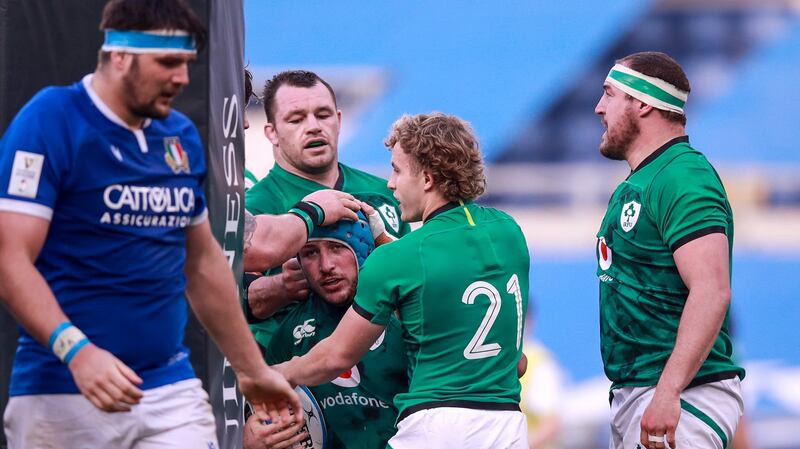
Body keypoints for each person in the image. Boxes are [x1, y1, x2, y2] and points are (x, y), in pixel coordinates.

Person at [0, 1, 301, 447]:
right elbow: (9, 257)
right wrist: (75, 350)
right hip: (63, 388)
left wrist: (251, 370)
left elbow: (201, 264)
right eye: (168, 63)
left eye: (185, 64)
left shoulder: (177, 137)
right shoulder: (51, 120)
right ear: (119, 56)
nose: (182, 78)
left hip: (168, 388)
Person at [276, 113, 531, 449]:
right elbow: (518, 362)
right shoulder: (508, 232)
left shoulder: (398, 260)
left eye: (397, 169)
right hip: (507, 427)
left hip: (437, 426)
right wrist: (383, 238)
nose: (391, 183)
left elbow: (335, 358)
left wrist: (269, 375)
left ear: (427, 178)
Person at [594, 51, 745, 449]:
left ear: (642, 103)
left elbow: (712, 290)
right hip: (645, 392)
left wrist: (668, 391)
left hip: (683, 396)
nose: (599, 108)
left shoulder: (683, 176)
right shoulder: (646, 178)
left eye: (609, 94)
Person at [244, 70, 411, 348]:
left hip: (387, 374)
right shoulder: (255, 208)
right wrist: (282, 287)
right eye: (296, 119)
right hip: (296, 372)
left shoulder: (386, 192)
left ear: (339, 120)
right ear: (271, 132)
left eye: (323, 115)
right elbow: (229, 299)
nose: (313, 126)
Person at [244, 214, 409, 449]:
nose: (326, 266)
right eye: (310, 252)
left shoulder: (407, 319)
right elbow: (267, 417)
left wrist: (382, 239)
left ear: (363, 251)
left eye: (337, 248)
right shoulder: (290, 332)